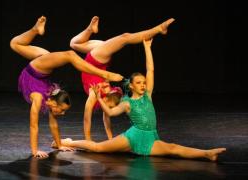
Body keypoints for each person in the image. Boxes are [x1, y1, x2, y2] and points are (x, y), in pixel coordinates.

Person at [54, 38, 226, 162]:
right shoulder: (127, 102)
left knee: (173, 148)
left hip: (150, 138)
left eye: (144, 83)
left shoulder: (148, 95)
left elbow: (150, 70)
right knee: (99, 148)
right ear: (132, 86)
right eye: (139, 83)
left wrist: (147, 48)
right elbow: (111, 112)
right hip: (133, 138)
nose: (143, 85)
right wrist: (99, 97)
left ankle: (206, 153)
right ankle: (66, 142)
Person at [10, 16, 123, 158]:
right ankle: (104, 72)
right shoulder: (40, 99)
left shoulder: (45, 100)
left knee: (15, 44)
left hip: (37, 72)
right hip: (38, 69)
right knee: (70, 55)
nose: (62, 114)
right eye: (62, 110)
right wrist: (35, 151)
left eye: (63, 111)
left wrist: (60, 144)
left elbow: (53, 125)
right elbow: (34, 126)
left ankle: (35, 29)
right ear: (55, 102)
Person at [69, 16, 175, 140]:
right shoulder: (104, 98)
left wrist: (89, 140)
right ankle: (158, 29)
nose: (107, 108)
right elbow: (106, 118)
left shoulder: (95, 94)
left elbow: (87, 119)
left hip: (95, 60)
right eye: (110, 107)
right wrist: (108, 139)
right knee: (121, 38)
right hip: (97, 59)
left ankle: (90, 29)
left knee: (76, 43)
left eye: (109, 106)